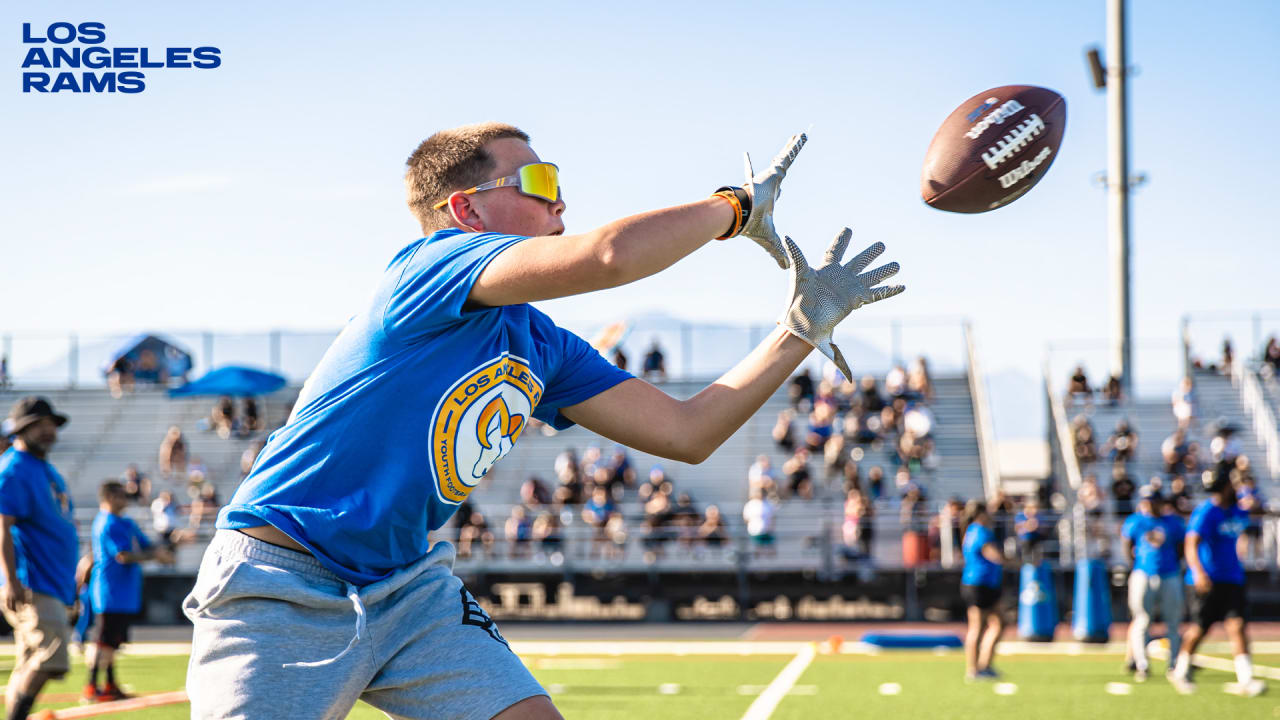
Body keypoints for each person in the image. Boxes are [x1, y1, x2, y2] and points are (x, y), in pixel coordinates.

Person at [184, 123, 904, 719]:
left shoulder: (540, 342)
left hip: (408, 587)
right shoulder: (428, 268)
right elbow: (608, 256)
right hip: (281, 585)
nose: (562, 203)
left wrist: (800, 331)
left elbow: (689, 432)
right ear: (465, 211)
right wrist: (736, 209)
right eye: (540, 184)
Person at [0, 397, 78, 720]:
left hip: (52, 581)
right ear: (21, 429)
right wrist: (11, 580)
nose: (48, 431)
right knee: (52, 659)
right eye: (39, 425)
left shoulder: (43, 468)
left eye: (50, 425)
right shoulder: (14, 469)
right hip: (33, 581)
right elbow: (2, 526)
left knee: (31, 662)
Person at [1170, 469, 1264, 696]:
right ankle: (1180, 669)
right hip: (1206, 580)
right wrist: (1199, 573)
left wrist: (1252, 496)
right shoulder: (1206, 512)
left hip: (1232, 577)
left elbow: (1256, 511)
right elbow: (1191, 544)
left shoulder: (1236, 510)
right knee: (1199, 629)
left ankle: (1246, 679)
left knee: (1237, 625)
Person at [85, 481, 172, 703]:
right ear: (111, 497)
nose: (126, 499)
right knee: (102, 641)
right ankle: (92, 686)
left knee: (112, 643)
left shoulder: (125, 522)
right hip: (109, 592)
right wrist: (156, 556)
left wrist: (168, 546)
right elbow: (123, 555)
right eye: (122, 495)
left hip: (124, 593)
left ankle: (109, 684)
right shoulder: (107, 522)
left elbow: (145, 546)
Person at [1121, 487, 1185, 682]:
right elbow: (1127, 545)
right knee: (1141, 620)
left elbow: (1181, 547)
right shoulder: (1136, 521)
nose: (1148, 504)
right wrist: (1136, 566)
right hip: (1143, 573)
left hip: (1169, 574)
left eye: (1152, 500)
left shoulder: (1172, 522)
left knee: (1173, 621)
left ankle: (1174, 664)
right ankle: (1142, 664)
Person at [960, 501, 1005, 681]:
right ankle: (974, 669)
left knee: (998, 623)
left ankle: (983, 666)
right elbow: (992, 555)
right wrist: (1012, 561)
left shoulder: (969, 531)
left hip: (979, 582)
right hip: (981, 583)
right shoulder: (981, 532)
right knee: (979, 627)